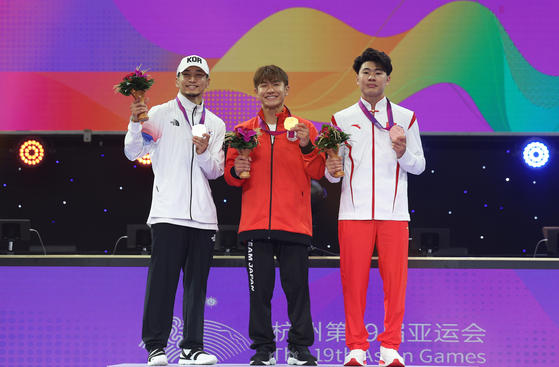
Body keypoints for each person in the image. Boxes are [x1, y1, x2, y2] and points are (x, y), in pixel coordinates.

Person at [325, 48, 425, 367]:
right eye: (367, 71)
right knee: (353, 282)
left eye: (378, 72)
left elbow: (419, 166)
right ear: (357, 78)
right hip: (353, 213)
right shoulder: (341, 119)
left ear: (388, 79)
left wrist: (402, 151)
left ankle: (390, 348)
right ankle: (356, 347)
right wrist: (332, 167)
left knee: (395, 283)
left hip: (394, 214)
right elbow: (331, 172)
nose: (372, 77)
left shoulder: (406, 118)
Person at [124, 55, 225, 366]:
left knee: (197, 288)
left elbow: (216, 171)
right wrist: (134, 120)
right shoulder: (160, 113)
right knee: (162, 283)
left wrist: (204, 151)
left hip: (204, 219)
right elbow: (134, 151)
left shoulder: (216, 123)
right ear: (177, 80)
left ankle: (192, 347)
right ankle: (155, 345)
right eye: (187, 75)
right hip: (168, 213)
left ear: (208, 82)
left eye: (199, 75)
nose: (192, 80)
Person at [224, 65, 325, 366]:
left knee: (297, 291)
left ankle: (299, 347)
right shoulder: (243, 131)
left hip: (294, 223)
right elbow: (231, 178)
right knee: (260, 293)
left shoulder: (304, 128)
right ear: (255, 91)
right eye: (264, 85)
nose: (270, 90)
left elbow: (319, 171)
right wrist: (237, 168)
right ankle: (263, 349)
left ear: (286, 89)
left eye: (276, 84)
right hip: (255, 226)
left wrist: (307, 144)